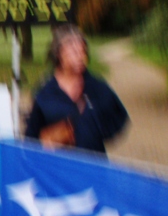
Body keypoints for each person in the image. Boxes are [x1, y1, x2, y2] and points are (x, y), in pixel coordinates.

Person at [25, 25, 129, 153]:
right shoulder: (44, 93)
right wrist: (48, 139)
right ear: (58, 54)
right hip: (59, 166)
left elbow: (119, 117)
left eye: (82, 51)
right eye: (73, 52)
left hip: (93, 164)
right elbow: (31, 137)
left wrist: (93, 133)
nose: (80, 57)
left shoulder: (97, 87)